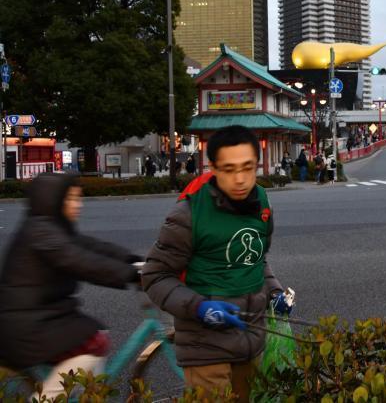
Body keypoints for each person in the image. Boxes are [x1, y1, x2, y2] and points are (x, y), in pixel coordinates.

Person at [142, 125, 293, 401]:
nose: (240, 179)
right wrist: (200, 308)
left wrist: (274, 292)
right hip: (205, 347)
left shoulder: (261, 201)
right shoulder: (188, 214)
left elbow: (255, 259)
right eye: (229, 169)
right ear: (213, 167)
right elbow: (155, 276)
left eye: (247, 168)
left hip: (251, 340)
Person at [0, 173, 141, 398]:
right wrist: (131, 275)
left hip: (40, 317)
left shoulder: (50, 226)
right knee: (95, 343)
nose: (79, 204)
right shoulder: (42, 232)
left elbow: (91, 248)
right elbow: (80, 261)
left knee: (95, 333)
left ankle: (88, 395)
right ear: (54, 200)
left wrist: (132, 260)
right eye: (72, 199)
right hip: (26, 326)